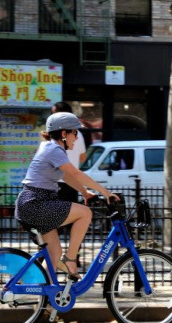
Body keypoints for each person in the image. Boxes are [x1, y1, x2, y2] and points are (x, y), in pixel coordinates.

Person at [14, 111, 119, 281]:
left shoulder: (49, 147)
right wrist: (106, 192)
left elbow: (66, 176)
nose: (76, 138)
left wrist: (85, 192)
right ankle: (71, 259)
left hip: (32, 203)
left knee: (54, 253)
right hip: (36, 203)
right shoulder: (54, 149)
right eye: (74, 133)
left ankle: (44, 299)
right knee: (85, 213)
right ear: (64, 133)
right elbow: (76, 174)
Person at [52, 102, 87, 203]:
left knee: (56, 217)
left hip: (55, 183)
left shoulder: (52, 135)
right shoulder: (78, 134)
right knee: (72, 216)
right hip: (73, 183)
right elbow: (83, 158)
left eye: (54, 114)